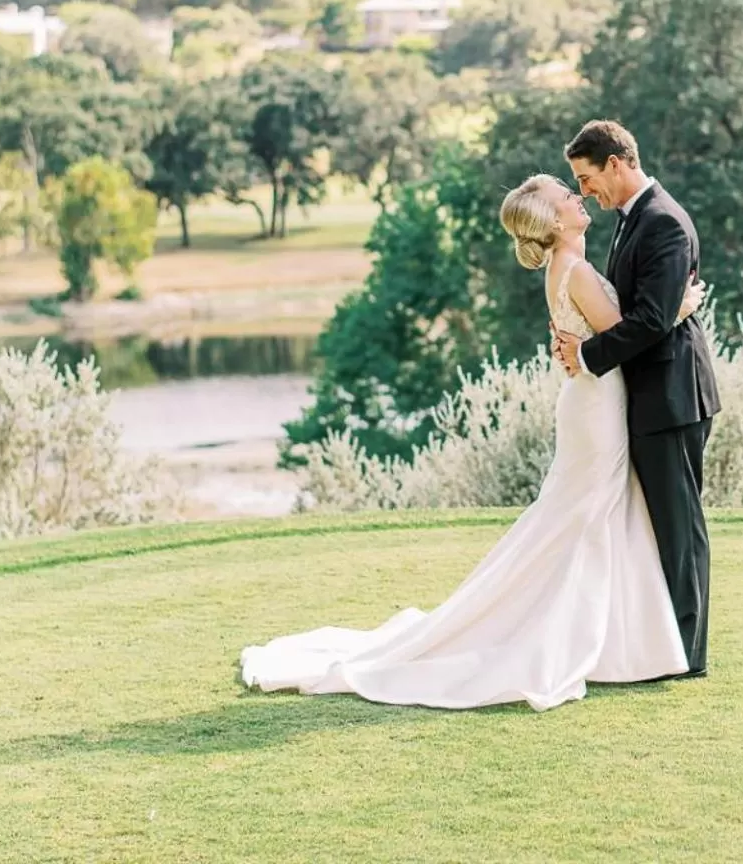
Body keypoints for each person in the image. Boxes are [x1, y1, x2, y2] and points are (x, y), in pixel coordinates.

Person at [237, 158, 707, 710]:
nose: (579, 198)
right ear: (554, 222)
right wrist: (678, 308)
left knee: (585, 516)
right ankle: (567, 638)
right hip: (597, 408)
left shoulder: (567, 263)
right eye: (567, 196)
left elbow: (611, 328)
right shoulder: (574, 269)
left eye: (576, 189)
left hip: (593, 400)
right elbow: (627, 330)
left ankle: (617, 639)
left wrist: (597, 342)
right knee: (582, 518)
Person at [553, 119, 721, 678]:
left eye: (587, 176)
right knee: (659, 526)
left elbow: (650, 320)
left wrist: (590, 354)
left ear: (618, 164)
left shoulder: (664, 223)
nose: (584, 191)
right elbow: (638, 311)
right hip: (647, 395)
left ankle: (686, 656)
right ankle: (660, 643)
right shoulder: (631, 220)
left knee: (679, 527)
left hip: (673, 398)